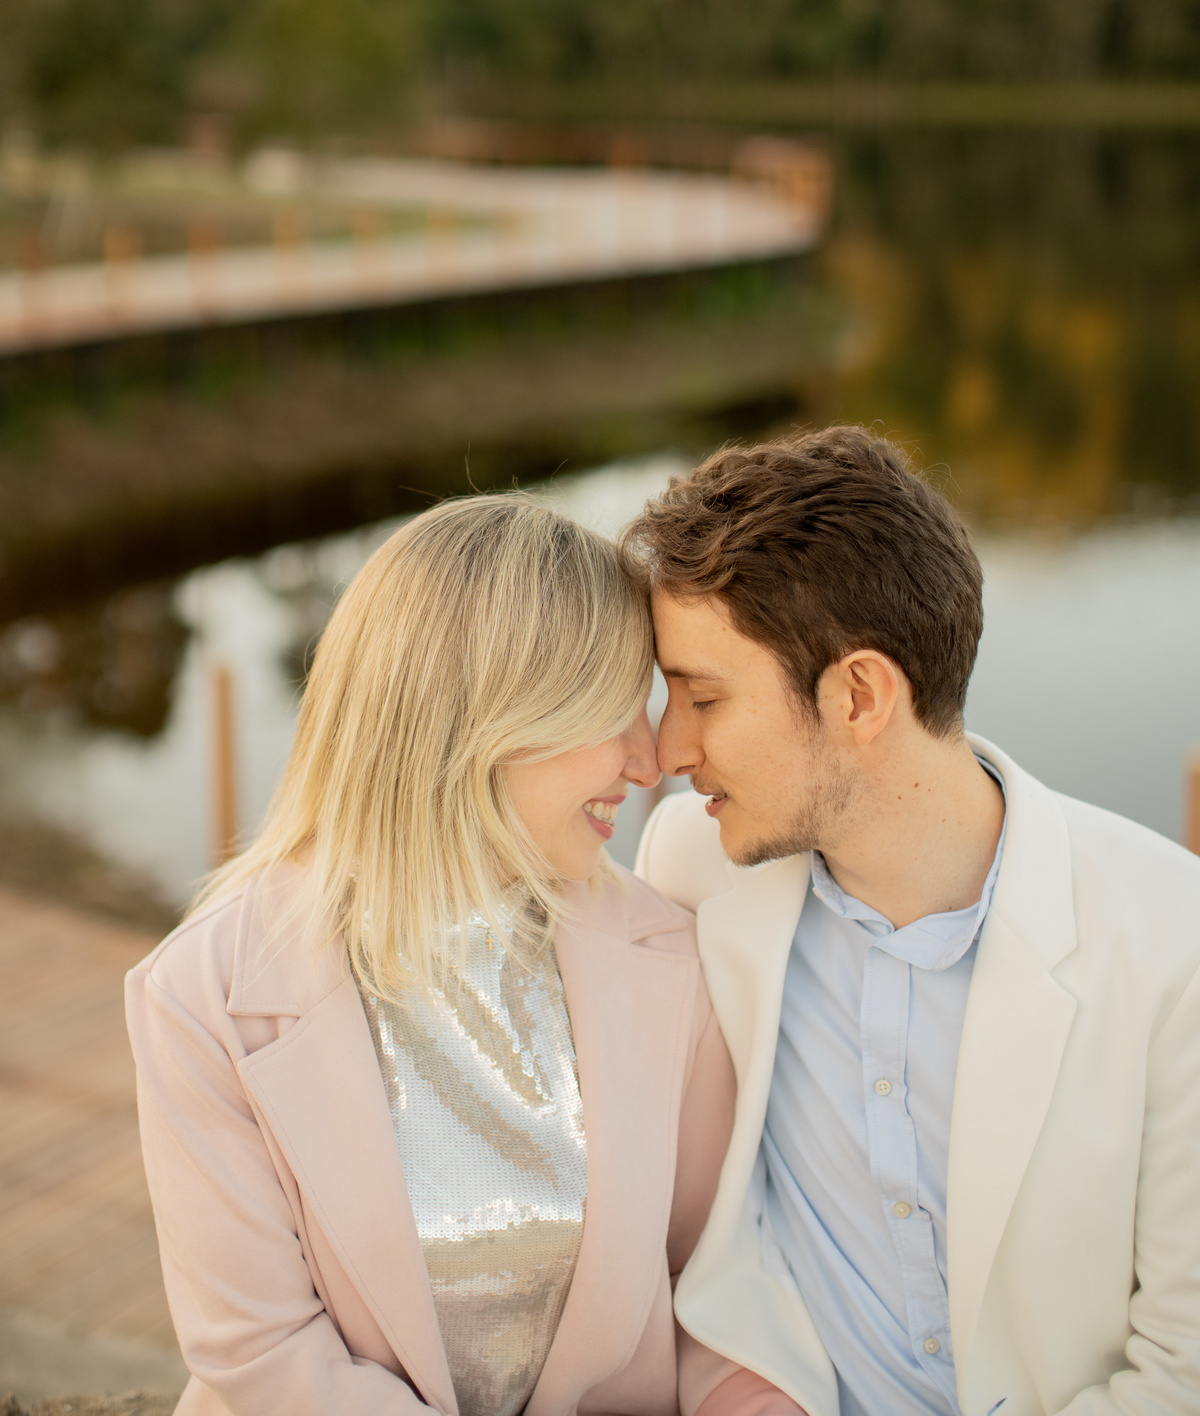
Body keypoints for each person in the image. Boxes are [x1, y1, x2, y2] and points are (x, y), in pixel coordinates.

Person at [126, 495, 739, 1416]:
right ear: (479, 719)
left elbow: (713, 1290)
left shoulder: (673, 958)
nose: (650, 762)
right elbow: (260, 1352)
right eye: (611, 714)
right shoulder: (203, 996)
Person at [630, 426, 1200, 1416]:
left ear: (860, 694)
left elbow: (1185, 1365)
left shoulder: (1170, 941)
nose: (667, 748)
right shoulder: (690, 869)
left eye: (703, 697)